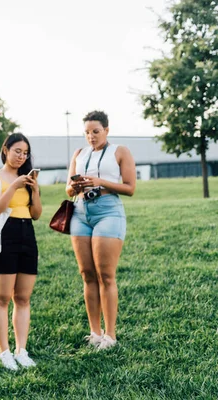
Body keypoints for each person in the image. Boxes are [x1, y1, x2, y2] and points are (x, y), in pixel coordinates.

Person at [66, 110, 136, 350]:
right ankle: (94, 332)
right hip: (81, 212)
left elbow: (130, 187)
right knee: (87, 274)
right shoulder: (79, 154)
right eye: (87, 132)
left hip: (108, 211)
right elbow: (67, 189)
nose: (91, 137)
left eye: (96, 131)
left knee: (106, 275)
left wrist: (100, 182)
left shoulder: (120, 151)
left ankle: (110, 335)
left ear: (107, 129)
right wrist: (75, 186)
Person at [0, 133, 42, 371]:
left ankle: (21, 350)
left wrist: (34, 190)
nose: (22, 156)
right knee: (2, 298)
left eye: (25, 153)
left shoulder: (26, 178)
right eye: (18, 151)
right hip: (4, 235)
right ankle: (4, 352)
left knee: (23, 298)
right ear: (5, 149)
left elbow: (36, 214)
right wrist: (14, 186)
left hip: (27, 235)